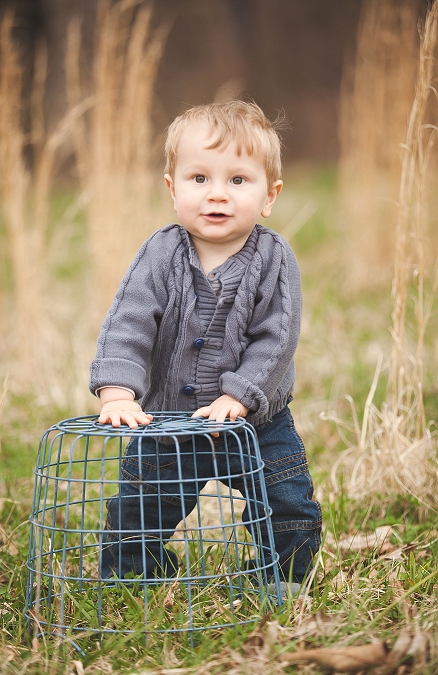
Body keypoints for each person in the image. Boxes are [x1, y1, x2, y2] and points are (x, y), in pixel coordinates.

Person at [91, 100, 321, 589]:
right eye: (200, 179)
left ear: (269, 195)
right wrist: (117, 389)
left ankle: (283, 576)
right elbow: (128, 323)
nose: (217, 194)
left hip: (258, 422)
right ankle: (134, 575)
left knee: (288, 498)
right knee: (139, 507)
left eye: (238, 180)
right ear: (173, 189)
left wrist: (238, 396)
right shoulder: (160, 253)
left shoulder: (274, 259)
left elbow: (275, 339)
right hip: (170, 420)